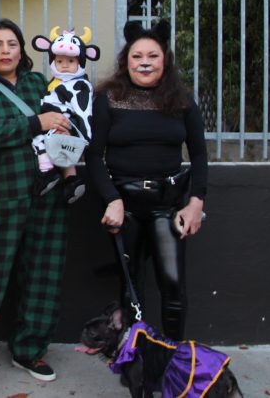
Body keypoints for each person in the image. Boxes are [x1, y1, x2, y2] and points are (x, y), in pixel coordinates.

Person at [0, 18, 72, 386]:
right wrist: (36, 123)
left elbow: (66, 118)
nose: (6, 51)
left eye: (12, 45)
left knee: (42, 274)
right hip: (3, 195)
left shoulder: (39, 83)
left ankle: (29, 350)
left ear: (23, 50)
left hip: (48, 193)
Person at [86, 18, 208, 341]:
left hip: (167, 207)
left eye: (152, 56)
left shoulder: (182, 100)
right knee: (131, 288)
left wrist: (196, 203)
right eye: (137, 56)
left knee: (173, 286)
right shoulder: (108, 98)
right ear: (126, 60)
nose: (144, 63)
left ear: (164, 59)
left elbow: (198, 156)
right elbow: (94, 155)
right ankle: (134, 358)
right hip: (123, 207)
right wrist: (112, 198)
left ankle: (173, 358)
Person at [30, 27, 100, 200]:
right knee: (42, 142)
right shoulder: (56, 82)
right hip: (53, 125)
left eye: (71, 61)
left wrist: (84, 136)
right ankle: (68, 180)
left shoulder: (79, 85)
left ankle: (50, 174)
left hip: (64, 124)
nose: (65, 65)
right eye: (59, 61)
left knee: (42, 143)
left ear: (81, 62)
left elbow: (84, 112)